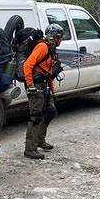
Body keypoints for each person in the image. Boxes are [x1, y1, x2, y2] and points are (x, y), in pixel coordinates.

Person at [23, 24, 64, 160]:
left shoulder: (52, 50)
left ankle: (40, 140)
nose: (61, 40)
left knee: (50, 112)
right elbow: (27, 65)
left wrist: (52, 91)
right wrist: (30, 85)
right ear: (54, 37)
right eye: (60, 37)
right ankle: (30, 149)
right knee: (36, 116)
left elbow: (48, 72)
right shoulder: (42, 47)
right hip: (36, 86)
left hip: (44, 85)